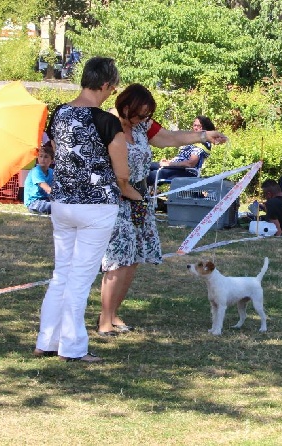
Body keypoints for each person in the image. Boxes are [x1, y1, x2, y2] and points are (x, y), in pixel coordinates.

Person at [34, 57, 142, 363]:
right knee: (80, 278)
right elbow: (122, 175)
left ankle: (47, 340)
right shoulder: (107, 122)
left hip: (62, 203)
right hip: (96, 208)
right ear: (105, 85)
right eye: (113, 87)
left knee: (61, 275)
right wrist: (134, 194)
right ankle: (73, 347)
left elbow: (56, 151)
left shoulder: (60, 113)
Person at [98, 84, 228, 336]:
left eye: (147, 115)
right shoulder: (106, 124)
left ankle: (114, 314)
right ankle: (104, 320)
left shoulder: (142, 127)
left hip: (139, 199)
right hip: (116, 198)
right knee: (117, 261)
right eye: (140, 114)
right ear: (126, 107)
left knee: (133, 260)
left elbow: (170, 137)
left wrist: (204, 136)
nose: (145, 120)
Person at [146, 115, 215, 186]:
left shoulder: (202, 143)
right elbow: (181, 158)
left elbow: (190, 164)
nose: (196, 128)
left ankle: (139, 194)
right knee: (146, 166)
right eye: (194, 125)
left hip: (185, 171)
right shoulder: (192, 141)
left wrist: (169, 164)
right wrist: (169, 161)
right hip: (175, 167)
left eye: (199, 126)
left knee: (150, 175)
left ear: (205, 128)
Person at [24, 142, 54, 214]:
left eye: (46, 157)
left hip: (46, 199)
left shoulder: (51, 172)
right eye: (41, 156)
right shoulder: (36, 171)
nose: (42, 159)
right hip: (34, 202)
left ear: (52, 160)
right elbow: (47, 188)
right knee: (57, 207)